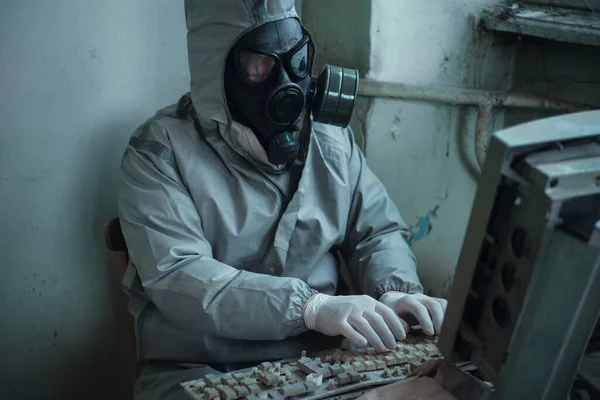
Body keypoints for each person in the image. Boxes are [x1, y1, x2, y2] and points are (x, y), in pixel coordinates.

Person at [118, 1, 447, 398]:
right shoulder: (160, 151)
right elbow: (178, 274)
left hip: (325, 364)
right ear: (215, 74)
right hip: (203, 371)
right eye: (259, 64)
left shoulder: (331, 139)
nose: (288, 84)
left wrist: (393, 291)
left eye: (298, 61)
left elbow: (377, 232)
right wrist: (310, 307)